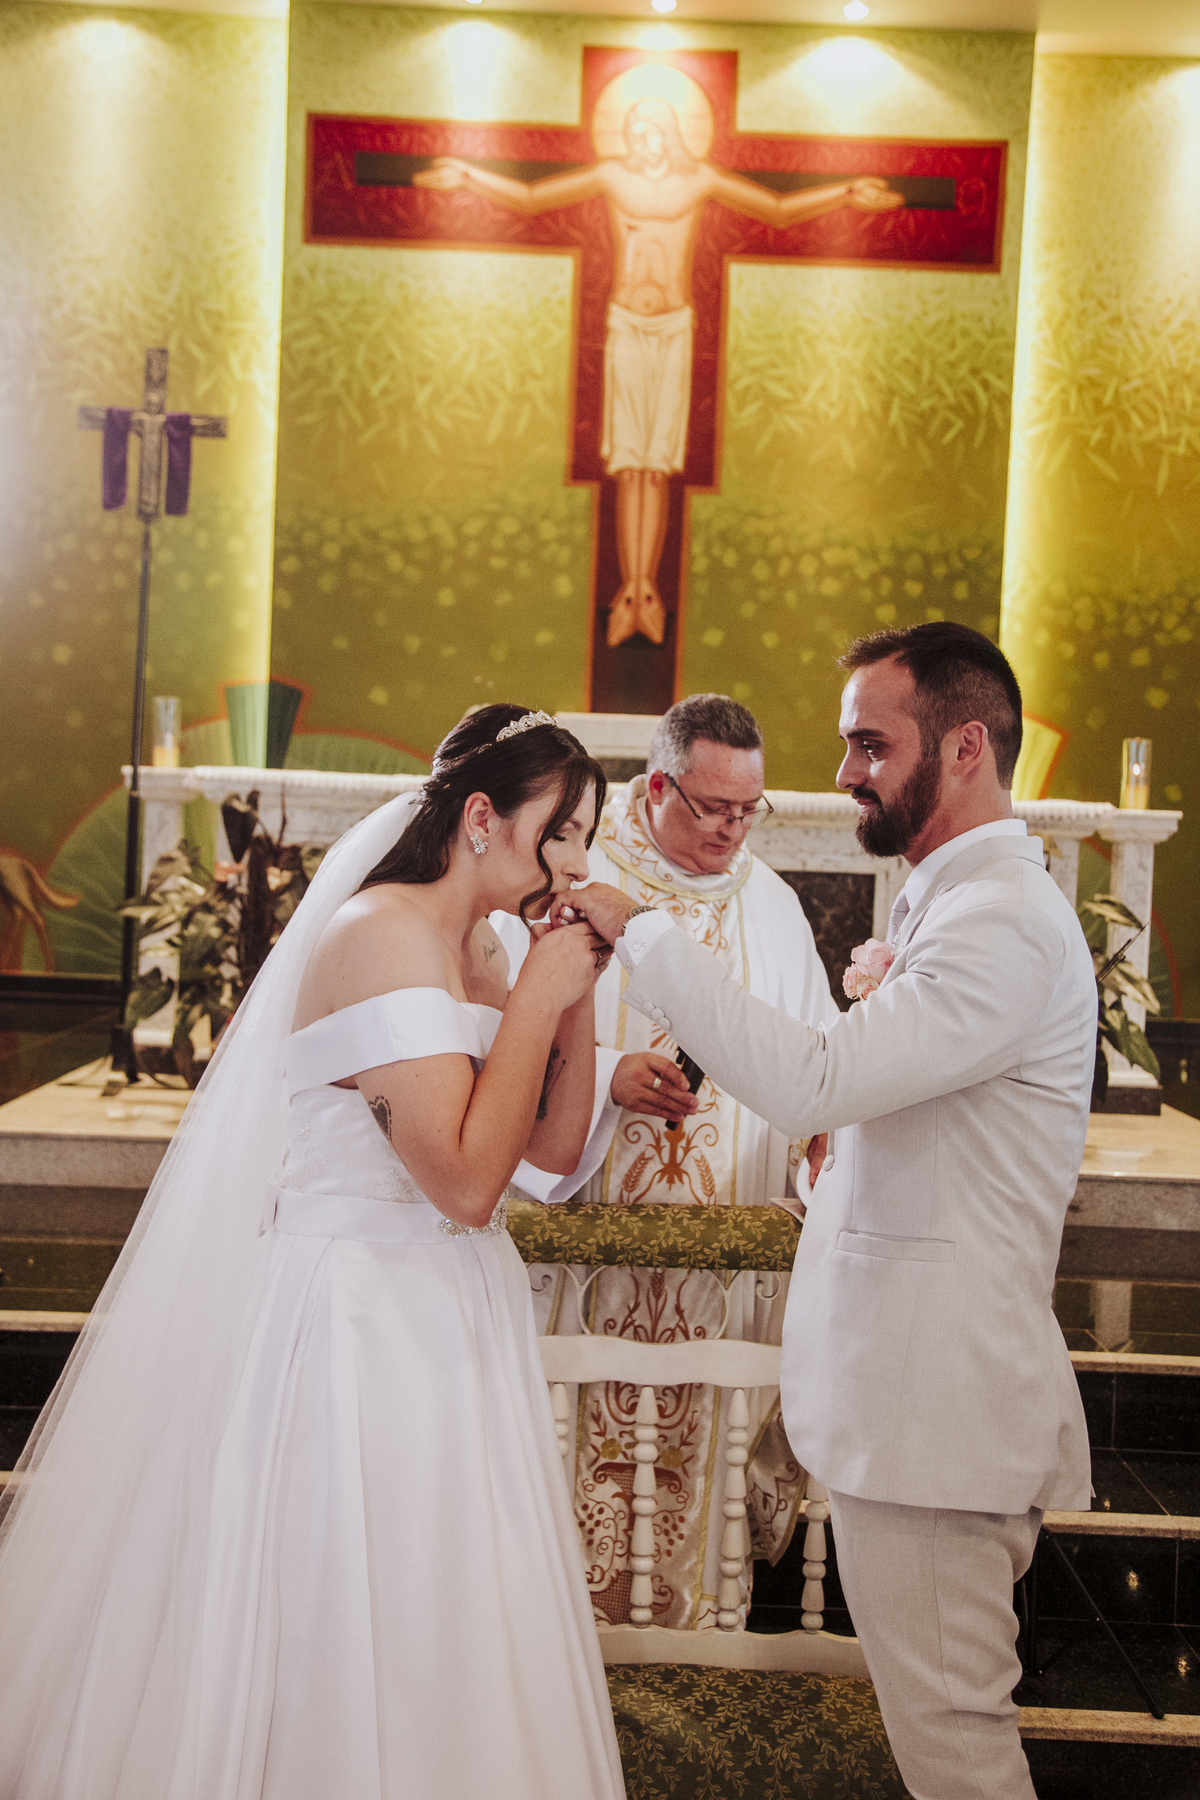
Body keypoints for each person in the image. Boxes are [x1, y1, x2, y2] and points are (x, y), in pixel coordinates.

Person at [0, 705, 627, 1800]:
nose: (576, 862)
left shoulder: (483, 946)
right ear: (483, 817)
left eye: (586, 839)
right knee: (337, 1590)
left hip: (453, 1307)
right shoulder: (381, 934)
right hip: (354, 1314)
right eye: (561, 831)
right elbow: (466, 1183)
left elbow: (552, 1150)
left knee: (446, 1596)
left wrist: (572, 985)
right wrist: (542, 991)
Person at [568, 625, 1096, 1800]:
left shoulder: (1001, 919)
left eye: (871, 743)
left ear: (965, 746)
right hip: (910, 1415)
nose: (847, 770)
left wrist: (638, 925)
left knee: (956, 1751)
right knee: (942, 1742)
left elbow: (812, 1080)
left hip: (939, 1417)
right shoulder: (952, 904)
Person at [491, 693, 838, 1631]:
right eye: (713, 807)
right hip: (584, 1261)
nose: (733, 829)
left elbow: (813, 1057)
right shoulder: (579, 877)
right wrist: (608, 1074)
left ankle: (695, 1630)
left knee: (700, 1465)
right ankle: (550, 1644)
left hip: (717, 1276)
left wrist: (822, 1140)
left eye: (749, 809)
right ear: (656, 788)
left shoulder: (773, 908)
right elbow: (498, 1031)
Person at [416, 100, 900, 648]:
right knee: (630, 465)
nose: (645, 144)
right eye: (635, 133)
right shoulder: (611, 175)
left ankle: (648, 589)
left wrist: (845, 192)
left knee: (657, 468)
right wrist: (468, 175)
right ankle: (632, 589)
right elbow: (532, 198)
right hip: (626, 326)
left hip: (673, 330)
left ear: (673, 135)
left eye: (654, 134)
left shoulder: (700, 179)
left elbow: (778, 209)